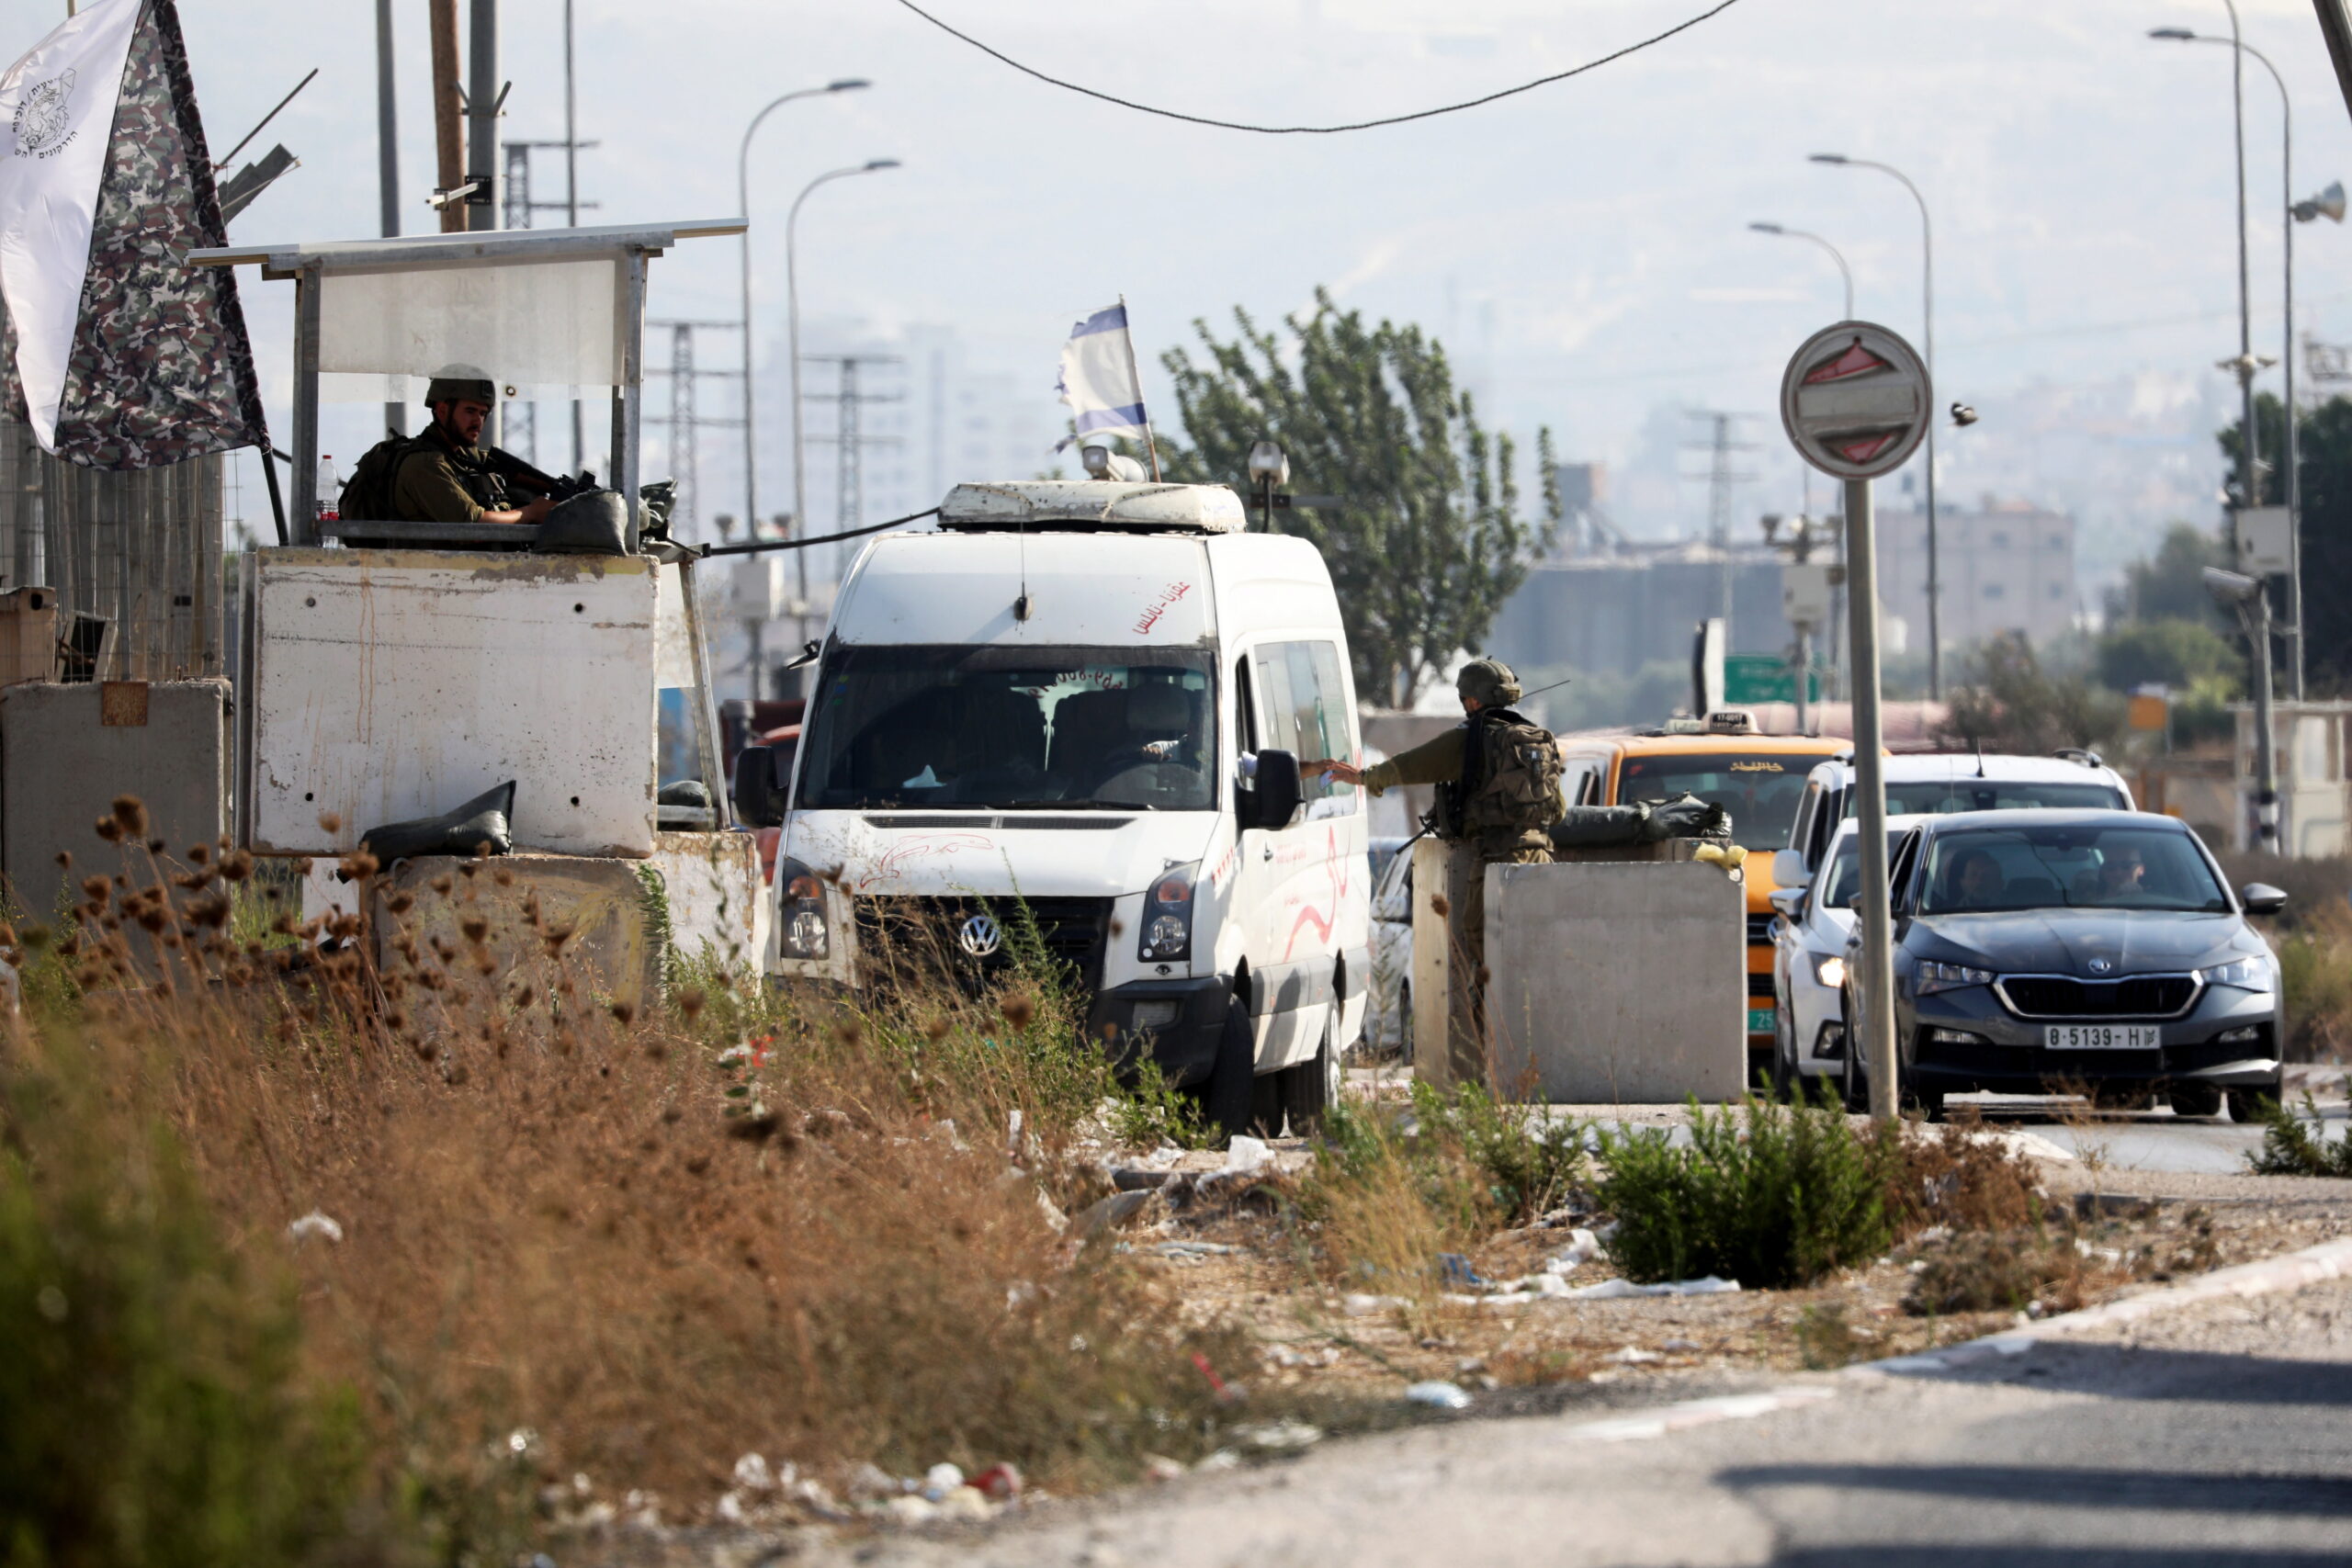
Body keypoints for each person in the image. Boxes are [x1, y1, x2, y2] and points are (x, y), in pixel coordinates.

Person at [1323, 658, 1561, 1084]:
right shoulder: (1537, 741)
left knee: (1481, 966)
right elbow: (1557, 810)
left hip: (1493, 863)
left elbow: (1408, 767)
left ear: (1471, 699)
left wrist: (1361, 777)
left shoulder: (1470, 741)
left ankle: (1486, 1068)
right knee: (1532, 968)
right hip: (1540, 861)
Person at [390, 365, 557, 525]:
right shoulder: (425, 464)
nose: (478, 422)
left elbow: (507, 469)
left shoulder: (463, 458)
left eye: (483, 413)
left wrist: (558, 488)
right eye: (470, 411)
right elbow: (471, 525)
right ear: (442, 411)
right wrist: (531, 512)